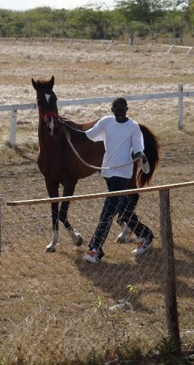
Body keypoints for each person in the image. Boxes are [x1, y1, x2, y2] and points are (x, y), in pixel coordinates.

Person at [84, 97, 154, 263]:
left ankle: (95, 249)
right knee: (123, 209)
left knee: (108, 210)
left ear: (127, 109)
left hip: (123, 173)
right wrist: (67, 130)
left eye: (123, 109)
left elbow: (138, 149)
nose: (121, 113)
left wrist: (141, 156)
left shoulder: (133, 127)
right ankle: (146, 235)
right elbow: (89, 136)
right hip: (108, 172)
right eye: (117, 109)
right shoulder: (106, 122)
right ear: (112, 109)